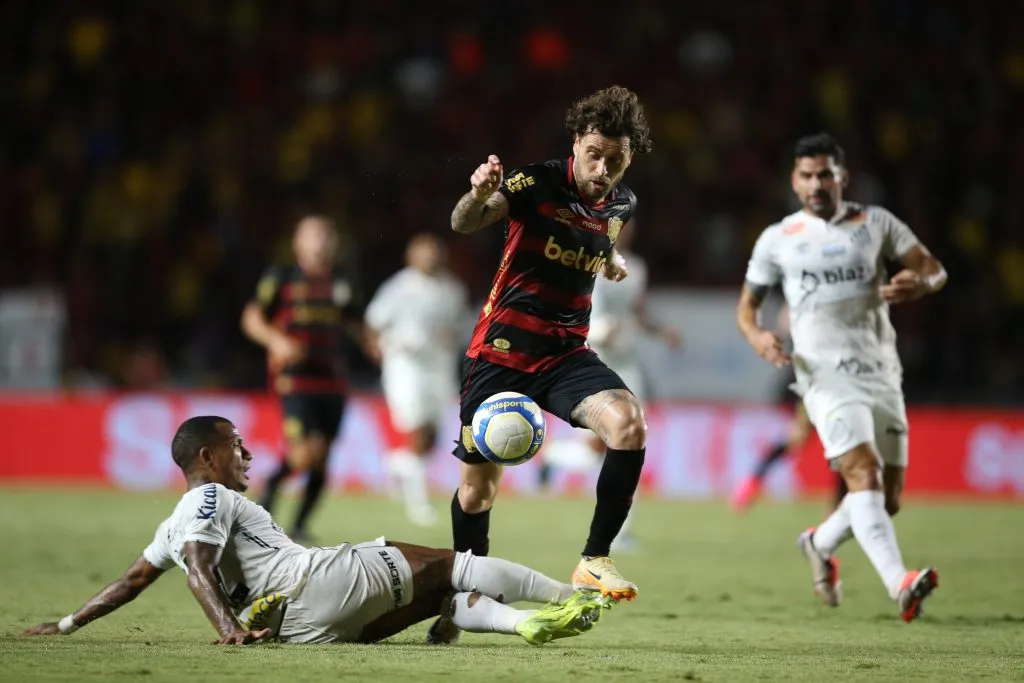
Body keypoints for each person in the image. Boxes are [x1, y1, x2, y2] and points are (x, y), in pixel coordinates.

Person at [24, 416, 610, 646]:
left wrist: (68, 623)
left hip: (305, 631)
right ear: (207, 457)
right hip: (314, 580)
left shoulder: (168, 527)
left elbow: (131, 582)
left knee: (442, 597)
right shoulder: (210, 497)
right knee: (455, 564)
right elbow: (199, 568)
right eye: (236, 446)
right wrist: (229, 630)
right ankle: (569, 594)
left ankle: (522, 623)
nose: (248, 455)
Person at [444, 85, 653, 611]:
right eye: (594, 154)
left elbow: (598, 238)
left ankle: (595, 558)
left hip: (565, 354)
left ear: (629, 159)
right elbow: (465, 221)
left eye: (615, 160)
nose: (602, 169)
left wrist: (610, 261)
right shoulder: (536, 182)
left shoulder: (622, 204)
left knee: (629, 425)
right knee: (476, 493)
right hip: (501, 352)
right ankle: (466, 596)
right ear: (577, 141)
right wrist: (478, 194)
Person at [736, 133, 947, 621]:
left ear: (842, 178)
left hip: (881, 371)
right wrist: (758, 336)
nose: (817, 184)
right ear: (794, 181)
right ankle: (900, 582)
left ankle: (818, 542)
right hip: (823, 375)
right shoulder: (778, 238)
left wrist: (921, 283)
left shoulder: (876, 223)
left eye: (825, 175)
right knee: (863, 474)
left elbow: (935, 269)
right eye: (807, 175)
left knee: (886, 500)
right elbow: (747, 308)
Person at [537, 220, 682, 552]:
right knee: (598, 449)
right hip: (593, 360)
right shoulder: (584, 260)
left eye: (629, 226)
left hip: (627, 363)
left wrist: (662, 332)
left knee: (632, 439)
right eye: (619, 225)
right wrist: (594, 330)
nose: (625, 231)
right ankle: (555, 457)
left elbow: (637, 313)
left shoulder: (637, 268)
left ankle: (620, 530)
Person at [240, 215, 359, 542]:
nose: (320, 241)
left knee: (322, 458)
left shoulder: (342, 280)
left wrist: (374, 342)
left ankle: (300, 526)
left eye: (325, 235)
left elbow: (352, 321)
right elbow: (252, 318)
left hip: (334, 380)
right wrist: (276, 341)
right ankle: (267, 496)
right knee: (305, 453)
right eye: (313, 235)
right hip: (296, 380)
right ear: (298, 242)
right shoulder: (281, 277)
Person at [364, 233, 470, 527]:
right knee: (419, 430)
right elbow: (373, 322)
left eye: (434, 253)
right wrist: (379, 348)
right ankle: (419, 503)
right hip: (405, 368)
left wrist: (454, 336)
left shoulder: (451, 289)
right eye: (424, 253)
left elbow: (462, 326)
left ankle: (398, 463)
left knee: (431, 437)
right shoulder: (399, 287)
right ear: (411, 257)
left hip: (438, 367)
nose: (430, 258)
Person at [731, 304, 847, 514]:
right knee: (808, 440)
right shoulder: (809, 301)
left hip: (836, 384)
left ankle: (836, 509)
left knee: (840, 447)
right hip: (816, 385)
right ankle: (752, 481)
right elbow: (785, 320)